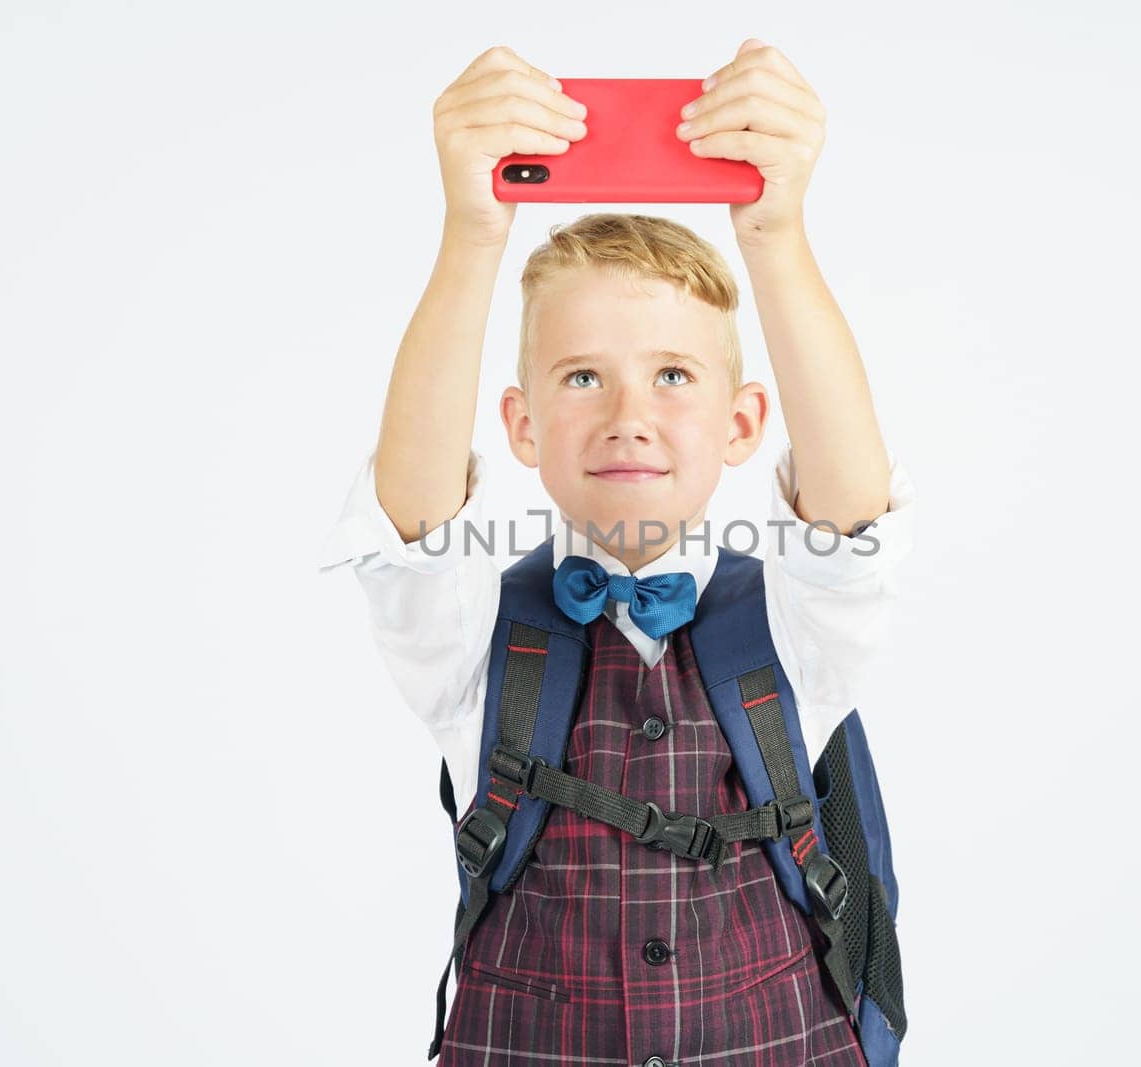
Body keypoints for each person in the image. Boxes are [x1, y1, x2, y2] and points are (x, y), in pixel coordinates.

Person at [318, 39, 915, 1066]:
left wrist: (775, 233)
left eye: (674, 374)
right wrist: (473, 236)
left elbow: (851, 512)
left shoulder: (794, 629)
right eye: (582, 377)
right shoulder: (473, 643)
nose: (630, 415)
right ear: (519, 425)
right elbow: (413, 524)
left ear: (741, 424)